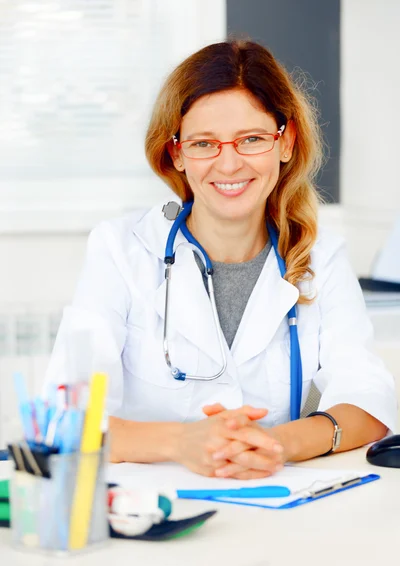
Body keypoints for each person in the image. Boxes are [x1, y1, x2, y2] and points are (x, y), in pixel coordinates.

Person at [45, 40, 396, 480]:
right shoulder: (120, 248)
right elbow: (64, 416)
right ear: (176, 153)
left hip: (280, 504)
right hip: (152, 511)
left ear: (285, 142)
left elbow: (368, 399)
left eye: (251, 139)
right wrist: (181, 441)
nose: (228, 164)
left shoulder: (320, 254)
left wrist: (278, 443)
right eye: (204, 143)